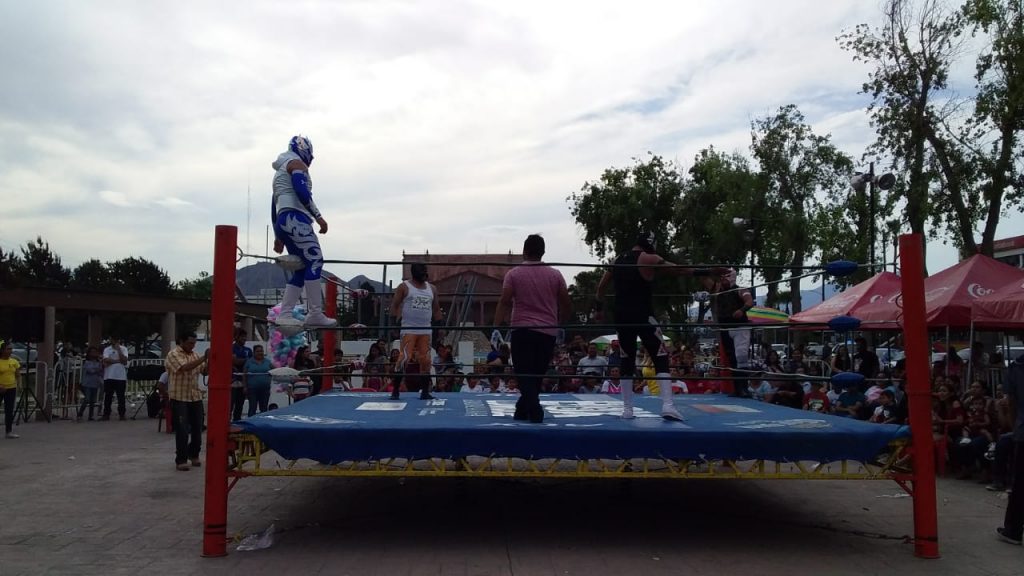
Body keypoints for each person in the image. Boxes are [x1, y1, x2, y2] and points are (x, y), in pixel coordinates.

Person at [595, 230, 721, 420]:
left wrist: (598, 309)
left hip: (621, 316)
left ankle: (627, 410)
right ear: (651, 243)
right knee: (660, 356)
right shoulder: (648, 258)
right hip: (643, 315)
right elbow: (679, 270)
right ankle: (668, 405)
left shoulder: (617, 260)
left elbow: (601, 287)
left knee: (627, 359)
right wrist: (708, 271)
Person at [494, 234, 571, 423]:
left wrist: (495, 327)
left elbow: (504, 301)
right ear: (543, 252)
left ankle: (534, 409)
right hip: (547, 330)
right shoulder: (555, 274)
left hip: (522, 329)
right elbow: (566, 303)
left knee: (525, 373)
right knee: (536, 374)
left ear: (524, 251)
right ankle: (522, 409)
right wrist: (561, 324)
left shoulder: (514, 274)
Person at [270, 135, 337, 330]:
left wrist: (277, 235)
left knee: (301, 267)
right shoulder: (296, 164)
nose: (312, 159)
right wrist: (319, 216)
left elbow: (274, 205)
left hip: (284, 219)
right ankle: (315, 313)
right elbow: (301, 191)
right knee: (315, 260)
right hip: (296, 218)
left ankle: (285, 313)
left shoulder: (281, 170)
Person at [390, 262, 442, 400]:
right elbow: (394, 305)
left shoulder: (432, 288)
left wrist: (440, 328)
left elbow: (436, 309)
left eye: (425, 270)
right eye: (422, 270)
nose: (425, 273)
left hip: (426, 330)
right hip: (409, 329)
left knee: (426, 360)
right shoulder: (404, 287)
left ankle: (425, 392)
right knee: (404, 358)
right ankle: (395, 391)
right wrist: (393, 325)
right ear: (414, 272)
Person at [702, 268, 755, 398]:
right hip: (725, 327)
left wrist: (742, 310)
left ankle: (744, 388)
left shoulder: (740, 290)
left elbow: (749, 301)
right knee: (731, 358)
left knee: (741, 355)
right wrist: (710, 270)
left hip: (740, 326)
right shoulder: (717, 289)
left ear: (731, 277)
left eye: (725, 276)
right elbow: (703, 278)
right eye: (721, 276)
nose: (722, 279)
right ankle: (737, 389)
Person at [165, 332, 208, 471]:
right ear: (181, 341)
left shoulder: (194, 355)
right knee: (182, 429)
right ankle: (181, 459)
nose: (192, 346)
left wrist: (211, 360)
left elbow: (205, 371)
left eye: (194, 343)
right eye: (190, 343)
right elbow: (184, 368)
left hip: (195, 396)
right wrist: (204, 358)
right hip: (179, 397)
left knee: (198, 427)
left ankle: (193, 453)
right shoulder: (173, 354)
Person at [998, 353, 1024, 545]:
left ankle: (1013, 530)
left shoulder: (1017, 367)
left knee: (1021, 483)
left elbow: (1012, 402)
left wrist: (1017, 428)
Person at [101, 336, 129, 421]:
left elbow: (124, 360)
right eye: (113, 339)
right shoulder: (107, 349)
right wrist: (117, 361)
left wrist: (119, 350)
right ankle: (106, 414)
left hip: (120, 376)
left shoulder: (123, 349)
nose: (114, 341)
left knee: (121, 396)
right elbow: (106, 360)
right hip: (109, 376)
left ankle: (122, 414)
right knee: (108, 396)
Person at [243, 345, 273, 416]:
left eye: (261, 351)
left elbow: (275, 371)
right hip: (252, 389)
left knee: (264, 408)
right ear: (254, 352)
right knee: (252, 408)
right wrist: (245, 387)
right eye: (258, 351)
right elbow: (244, 375)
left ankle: (263, 422)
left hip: (265, 389)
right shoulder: (249, 362)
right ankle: (250, 422)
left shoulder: (268, 362)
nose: (260, 353)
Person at [0, 341, 21, 438]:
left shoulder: (14, 361)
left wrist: (19, 384)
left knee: (9, 410)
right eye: (8, 349)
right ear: (2, 350)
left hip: (11, 388)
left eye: (11, 349)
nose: (10, 351)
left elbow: (18, 375)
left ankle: (8, 431)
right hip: (1, 388)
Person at [230, 329, 252, 421]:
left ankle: (236, 422)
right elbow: (235, 361)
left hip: (243, 381)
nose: (244, 338)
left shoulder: (248, 350)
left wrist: (242, 361)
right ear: (236, 337)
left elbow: (251, 364)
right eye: (242, 336)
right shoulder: (231, 348)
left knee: (240, 405)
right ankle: (226, 423)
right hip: (232, 381)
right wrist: (246, 360)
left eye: (245, 336)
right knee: (230, 404)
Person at [77, 346, 103, 422]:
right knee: (87, 399)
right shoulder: (86, 362)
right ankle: (80, 414)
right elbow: (90, 371)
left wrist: (97, 369)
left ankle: (90, 416)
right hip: (87, 383)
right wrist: (97, 369)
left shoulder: (98, 362)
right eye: (92, 352)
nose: (94, 354)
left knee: (93, 400)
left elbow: (100, 371)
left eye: (95, 352)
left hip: (95, 383)